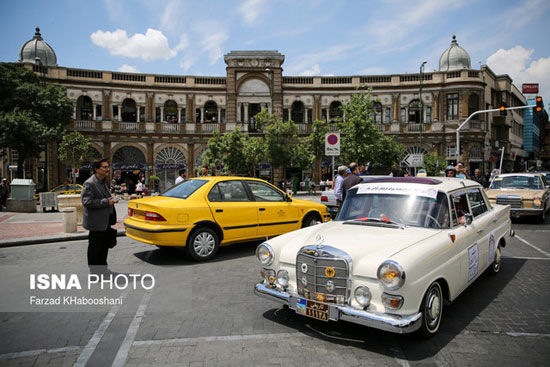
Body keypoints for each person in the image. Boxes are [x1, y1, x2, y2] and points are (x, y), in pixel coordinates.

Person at [81, 158, 117, 267]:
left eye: (108, 167)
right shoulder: (90, 183)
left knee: (104, 247)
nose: (108, 169)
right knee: (95, 249)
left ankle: (103, 270)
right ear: (96, 169)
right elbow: (86, 202)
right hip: (96, 223)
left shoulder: (103, 182)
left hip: (105, 221)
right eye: (105, 167)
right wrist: (106, 201)